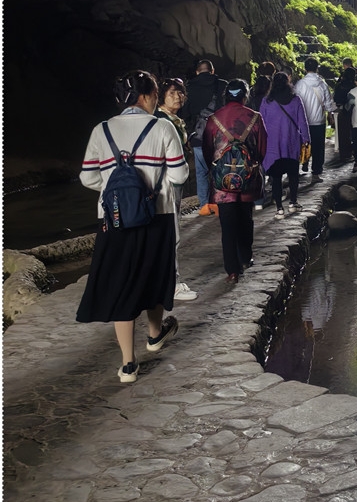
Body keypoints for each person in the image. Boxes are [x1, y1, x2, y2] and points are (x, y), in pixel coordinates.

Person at [77, 70, 188, 383]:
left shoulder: (102, 130)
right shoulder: (162, 127)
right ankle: (155, 333)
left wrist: (117, 191)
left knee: (120, 283)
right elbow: (179, 176)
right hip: (158, 215)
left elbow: (87, 177)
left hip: (113, 219)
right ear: (150, 95)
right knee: (154, 275)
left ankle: (128, 364)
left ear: (120, 99)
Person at [202, 78, 267, 283]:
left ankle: (232, 270)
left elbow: (207, 151)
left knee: (227, 224)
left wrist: (218, 170)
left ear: (225, 95)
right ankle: (246, 257)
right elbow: (262, 150)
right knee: (246, 219)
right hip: (247, 179)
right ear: (245, 96)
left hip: (223, 185)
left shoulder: (213, 119)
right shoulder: (255, 118)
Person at [156, 76, 197, 302]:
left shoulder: (172, 119)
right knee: (170, 234)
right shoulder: (161, 120)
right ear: (161, 96)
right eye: (172, 93)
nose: (178, 96)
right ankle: (171, 285)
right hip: (167, 183)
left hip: (170, 183)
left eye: (180, 92)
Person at [259, 71, 310, 218]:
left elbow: (261, 123)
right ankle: (293, 203)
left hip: (273, 146)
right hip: (291, 143)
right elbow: (302, 122)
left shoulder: (267, 102)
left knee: (276, 178)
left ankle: (279, 209)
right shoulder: (295, 100)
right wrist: (306, 139)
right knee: (293, 175)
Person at [182, 58, 226, 217]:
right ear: (212, 71)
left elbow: (184, 113)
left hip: (198, 136)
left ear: (197, 72)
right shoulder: (222, 85)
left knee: (201, 172)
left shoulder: (189, 87)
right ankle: (219, 203)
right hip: (219, 137)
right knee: (219, 171)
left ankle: (204, 206)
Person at [294, 58, 336, 180]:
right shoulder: (322, 84)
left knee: (304, 143)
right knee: (318, 147)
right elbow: (328, 104)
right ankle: (316, 172)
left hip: (303, 121)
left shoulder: (300, 84)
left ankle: (305, 162)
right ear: (317, 68)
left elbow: (295, 102)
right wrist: (330, 113)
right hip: (319, 120)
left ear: (305, 68)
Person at [332, 58, 357, 162]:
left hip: (342, 110)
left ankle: (344, 154)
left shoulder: (340, 84)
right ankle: (353, 152)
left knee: (343, 134)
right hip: (353, 111)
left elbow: (335, 97)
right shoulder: (353, 86)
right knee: (353, 132)